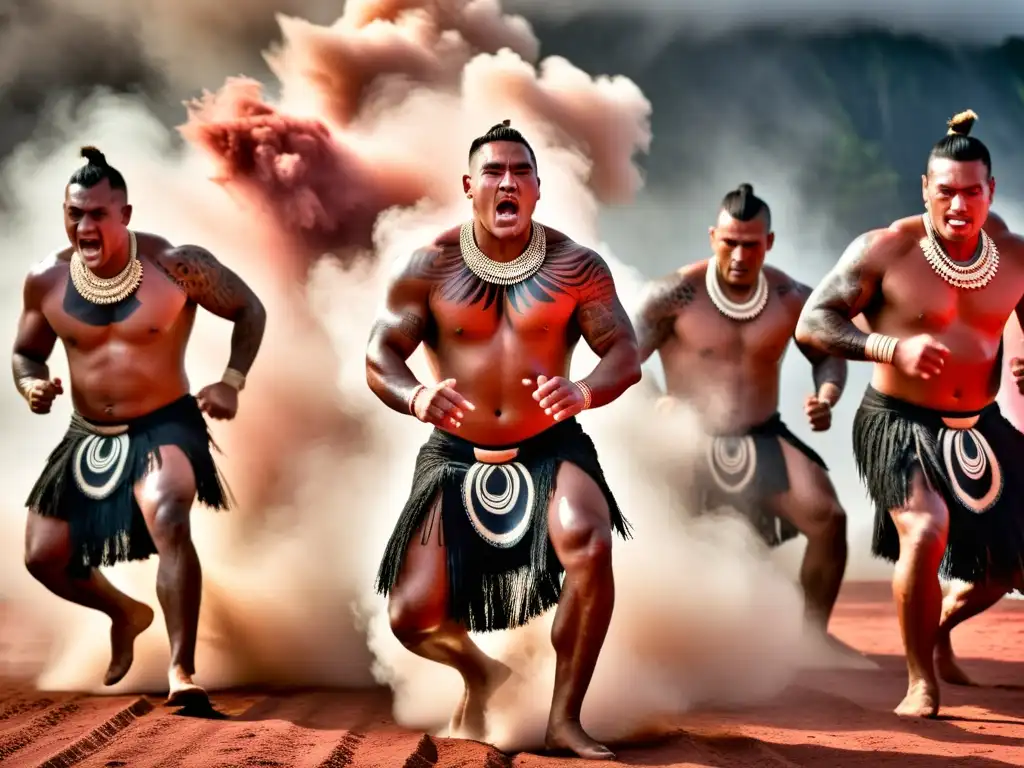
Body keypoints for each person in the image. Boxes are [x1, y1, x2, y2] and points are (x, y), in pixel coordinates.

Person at [365, 120, 639, 760]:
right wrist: (415, 395)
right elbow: (380, 353)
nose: (507, 182)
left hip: (552, 445)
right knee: (411, 618)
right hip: (454, 453)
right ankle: (483, 672)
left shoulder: (576, 267)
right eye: (493, 171)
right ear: (469, 186)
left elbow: (623, 350)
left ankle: (565, 719)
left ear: (539, 189)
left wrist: (586, 390)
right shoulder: (429, 266)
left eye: (520, 172)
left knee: (591, 543)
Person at [13, 147, 266, 707]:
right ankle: (124, 612)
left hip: (164, 423)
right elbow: (27, 353)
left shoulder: (177, 266)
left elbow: (250, 309)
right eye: (74, 213)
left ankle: (183, 670)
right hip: (86, 434)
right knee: (41, 556)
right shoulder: (46, 280)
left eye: (97, 214)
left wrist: (230, 381)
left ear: (124, 214)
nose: (84, 226)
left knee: (169, 516)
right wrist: (31, 385)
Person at [795, 110, 1024, 718]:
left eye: (971, 192)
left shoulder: (1015, 254)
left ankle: (941, 628)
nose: (958, 206)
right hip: (897, 421)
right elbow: (813, 321)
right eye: (945, 191)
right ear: (925, 188)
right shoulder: (885, 248)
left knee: (1006, 571)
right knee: (925, 530)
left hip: (983, 424)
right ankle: (921, 680)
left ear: (990, 192)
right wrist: (888, 346)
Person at [633, 183, 850, 641]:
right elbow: (619, 357)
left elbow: (829, 352)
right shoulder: (673, 295)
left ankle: (811, 639)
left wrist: (826, 394)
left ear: (768, 243)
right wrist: (656, 402)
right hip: (687, 441)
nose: (738, 255)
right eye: (729, 243)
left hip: (761, 435)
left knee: (829, 518)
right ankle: (669, 643)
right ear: (713, 237)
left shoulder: (791, 297)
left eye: (750, 245)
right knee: (662, 534)